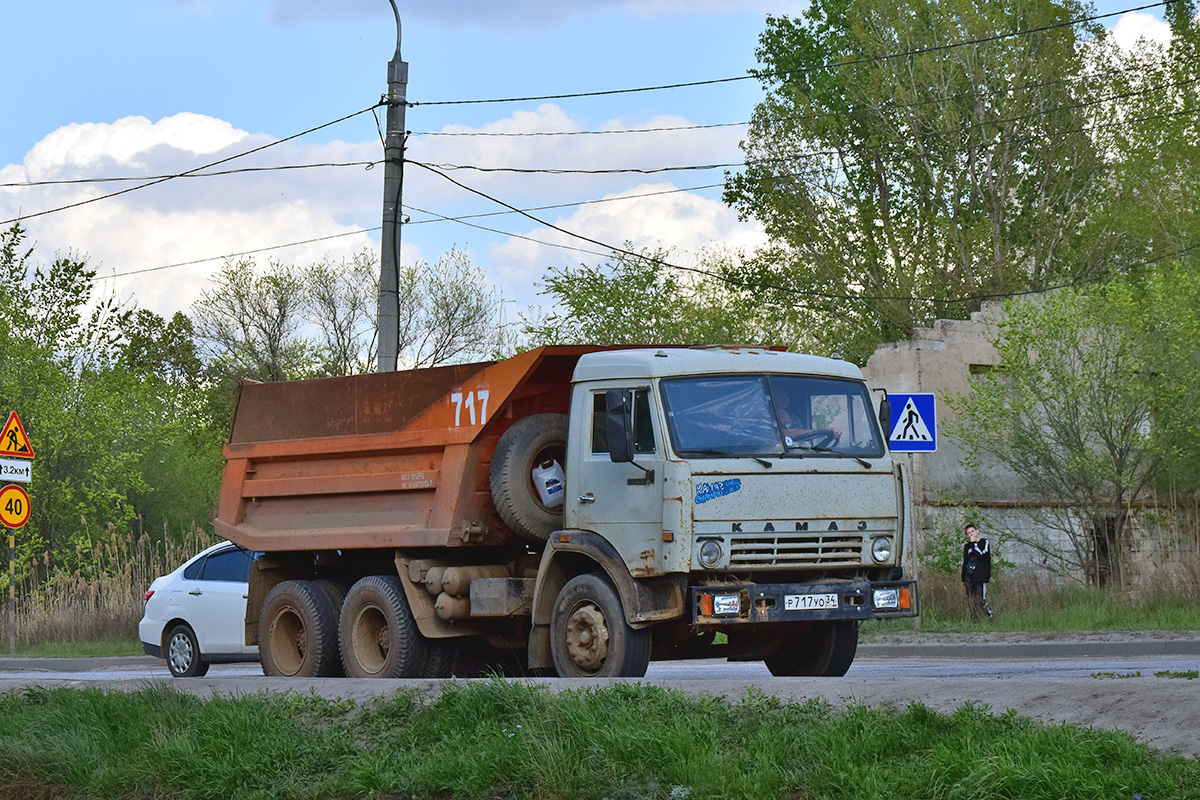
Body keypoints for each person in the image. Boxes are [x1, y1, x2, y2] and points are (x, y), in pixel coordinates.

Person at [961, 523, 993, 622]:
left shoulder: (984, 542)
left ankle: (988, 615)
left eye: (972, 531)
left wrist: (975, 545)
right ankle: (974, 619)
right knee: (970, 598)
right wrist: (963, 578)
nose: (971, 534)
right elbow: (965, 561)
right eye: (969, 533)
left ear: (977, 531)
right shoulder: (967, 546)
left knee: (979, 598)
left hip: (980, 575)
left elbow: (983, 555)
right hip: (969, 575)